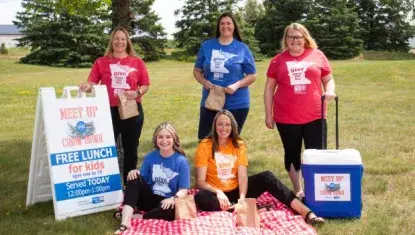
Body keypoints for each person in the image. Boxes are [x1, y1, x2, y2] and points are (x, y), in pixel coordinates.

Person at [194, 110, 324, 226]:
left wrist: (242, 198)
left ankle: (307, 213)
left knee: (267, 177)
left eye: (227, 124)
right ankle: (249, 208)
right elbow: (200, 181)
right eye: (220, 124)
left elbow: (243, 176)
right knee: (200, 198)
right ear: (214, 126)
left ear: (233, 127)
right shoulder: (205, 145)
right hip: (215, 193)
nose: (224, 128)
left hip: (236, 189)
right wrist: (218, 192)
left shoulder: (238, 144)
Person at [264, 23, 336, 200]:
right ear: (286, 39)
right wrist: (268, 114)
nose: (294, 40)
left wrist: (330, 90)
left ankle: (317, 190)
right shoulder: (277, 60)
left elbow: (329, 79)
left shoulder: (318, 55)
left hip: (315, 115)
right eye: (291, 37)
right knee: (292, 152)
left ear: (305, 38)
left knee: (317, 154)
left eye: (298, 36)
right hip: (286, 117)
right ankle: (298, 190)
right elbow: (268, 89)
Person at [80, 27, 150, 184]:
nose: (119, 42)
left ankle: (129, 184)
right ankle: (108, 184)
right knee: (107, 147)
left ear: (127, 42)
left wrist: (137, 93)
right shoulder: (101, 62)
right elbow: (92, 81)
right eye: (116, 38)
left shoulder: (137, 62)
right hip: (108, 110)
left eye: (123, 39)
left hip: (132, 109)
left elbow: (145, 84)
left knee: (131, 148)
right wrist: (87, 86)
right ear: (112, 41)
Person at [114, 122, 191, 234]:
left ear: (174, 139)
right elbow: (142, 178)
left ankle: (140, 217)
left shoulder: (181, 161)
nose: (164, 141)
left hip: (166, 202)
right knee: (133, 177)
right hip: (149, 198)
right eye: (160, 137)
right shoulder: (150, 157)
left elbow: (184, 189)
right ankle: (125, 223)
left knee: (171, 211)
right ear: (156, 139)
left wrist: (173, 199)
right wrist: (135, 172)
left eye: (168, 137)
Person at [193, 12, 257, 140]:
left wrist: (236, 85)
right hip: (211, 101)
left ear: (234, 27)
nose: (225, 26)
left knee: (230, 141)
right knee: (205, 140)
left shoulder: (242, 48)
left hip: (237, 102)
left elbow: (252, 75)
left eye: (228, 23)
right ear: (218, 27)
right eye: (222, 23)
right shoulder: (207, 46)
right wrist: (204, 81)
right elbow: (196, 70)